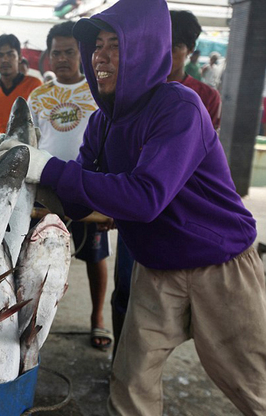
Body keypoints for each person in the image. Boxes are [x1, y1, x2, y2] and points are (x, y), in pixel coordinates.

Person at [0, 0, 266, 413]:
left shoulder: (179, 107)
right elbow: (76, 195)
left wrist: (49, 167)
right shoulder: (104, 122)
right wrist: (23, 172)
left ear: (144, 50)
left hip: (221, 266)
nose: (99, 55)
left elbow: (145, 198)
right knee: (130, 385)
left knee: (252, 387)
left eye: (115, 45)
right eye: (97, 45)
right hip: (155, 267)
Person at [109, 7, 225, 361]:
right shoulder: (131, 95)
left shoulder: (201, 98)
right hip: (139, 208)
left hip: (179, 214)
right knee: (126, 287)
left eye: (176, 45)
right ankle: (120, 358)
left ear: (189, 51)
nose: (167, 52)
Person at [28, 21, 111, 350]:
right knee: (37, 259)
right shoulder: (38, 96)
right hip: (46, 193)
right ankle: (33, 318)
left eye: (70, 52)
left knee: (94, 258)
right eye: (56, 52)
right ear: (48, 57)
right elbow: (31, 143)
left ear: (83, 54)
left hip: (89, 187)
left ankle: (97, 319)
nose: (62, 58)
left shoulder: (98, 90)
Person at [0, 34, 42, 157]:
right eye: (0, 55)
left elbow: (42, 129)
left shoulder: (34, 86)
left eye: (10, 54)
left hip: (27, 158)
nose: (5, 60)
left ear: (19, 58)